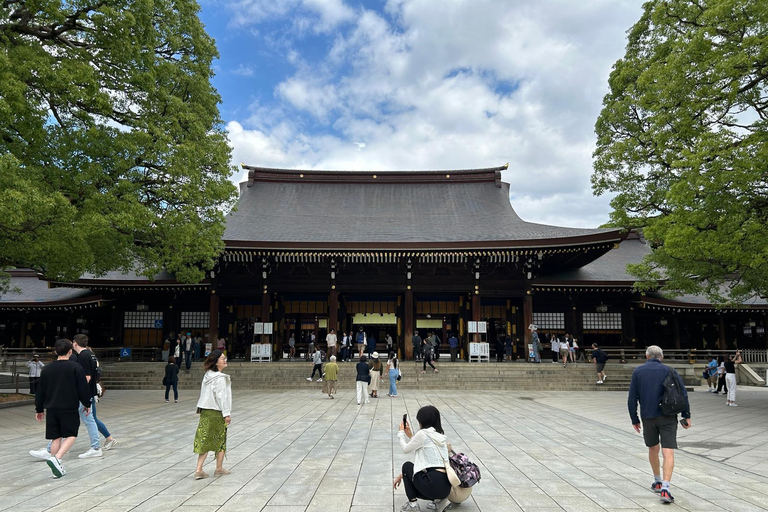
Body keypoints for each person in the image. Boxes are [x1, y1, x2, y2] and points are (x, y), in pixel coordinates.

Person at [628, 345, 691, 504]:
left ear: (647, 356)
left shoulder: (638, 371)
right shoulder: (670, 370)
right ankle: (666, 488)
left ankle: (657, 481)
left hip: (648, 416)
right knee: (668, 451)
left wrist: (634, 419)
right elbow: (682, 393)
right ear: (661, 357)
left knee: (653, 448)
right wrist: (686, 415)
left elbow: (632, 398)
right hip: (668, 416)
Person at [34, 338, 92, 478]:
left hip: (52, 408)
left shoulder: (47, 369)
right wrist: (87, 403)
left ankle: (56, 466)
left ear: (55, 351)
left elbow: (40, 390)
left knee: (55, 437)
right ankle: (58, 458)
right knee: (71, 434)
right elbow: (82, 388)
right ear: (70, 351)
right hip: (69, 406)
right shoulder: (75, 368)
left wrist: (39, 409)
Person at [393, 405, 452, 512]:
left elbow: (406, 449)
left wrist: (401, 433)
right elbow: (423, 448)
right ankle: (439, 501)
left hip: (432, 485)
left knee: (407, 466)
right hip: (446, 489)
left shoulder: (423, 434)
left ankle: (412, 505)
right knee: (422, 473)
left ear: (423, 421)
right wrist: (411, 435)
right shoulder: (440, 436)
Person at [73, 334, 117, 458]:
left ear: (75, 343)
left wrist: (81, 393)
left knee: (88, 419)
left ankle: (96, 446)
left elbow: (86, 377)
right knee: (91, 419)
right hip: (91, 392)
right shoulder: (91, 355)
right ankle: (107, 439)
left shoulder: (83, 356)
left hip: (85, 393)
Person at [193, 350, 232, 479]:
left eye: (225, 358)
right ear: (215, 361)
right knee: (220, 439)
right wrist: (226, 414)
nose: (225, 360)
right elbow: (221, 397)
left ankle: (199, 469)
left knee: (204, 438)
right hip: (217, 412)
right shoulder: (219, 378)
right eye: (222, 358)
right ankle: (218, 468)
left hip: (205, 411)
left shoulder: (208, 376)